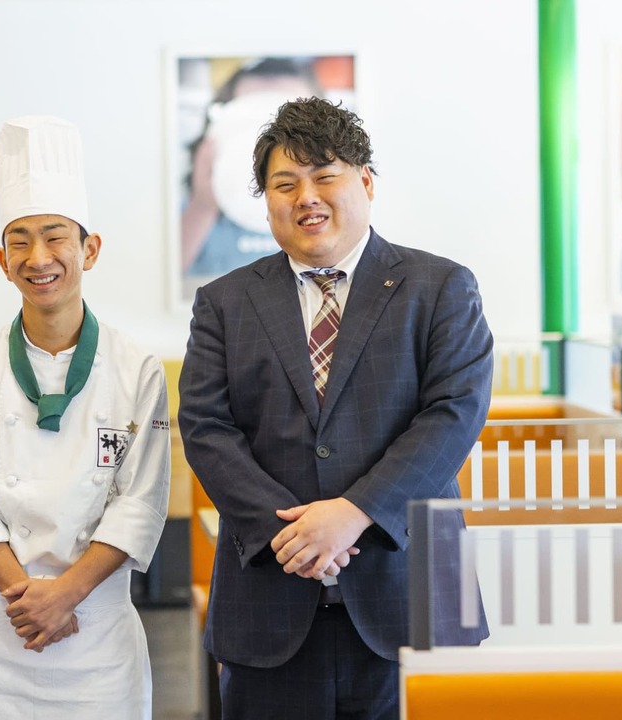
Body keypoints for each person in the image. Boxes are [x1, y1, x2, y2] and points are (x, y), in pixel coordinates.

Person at [177, 97, 493, 718]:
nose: (306, 197)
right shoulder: (224, 302)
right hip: (270, 596)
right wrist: (288, 532)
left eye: (325, 176)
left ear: (366, 182)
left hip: (410, 596)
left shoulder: (441, 288)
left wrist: (352, 513)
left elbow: (452, 415)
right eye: (284, 183)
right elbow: (206, 428)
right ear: (264, 199)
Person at [0, 115, 171, 719]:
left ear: (89, 249)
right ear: (1, 259)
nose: (38, 257)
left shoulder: (137, 367)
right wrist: (28, 599)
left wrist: (65, 595)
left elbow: (139, 502)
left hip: (96, 634)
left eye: (55, 237)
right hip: (0, 634)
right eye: (19, 240)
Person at [181, 58, 322, 281]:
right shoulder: (190, 203)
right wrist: (202, 206)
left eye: (293, 120)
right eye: (248, 118)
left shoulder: (338, 206)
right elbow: (156, 282)